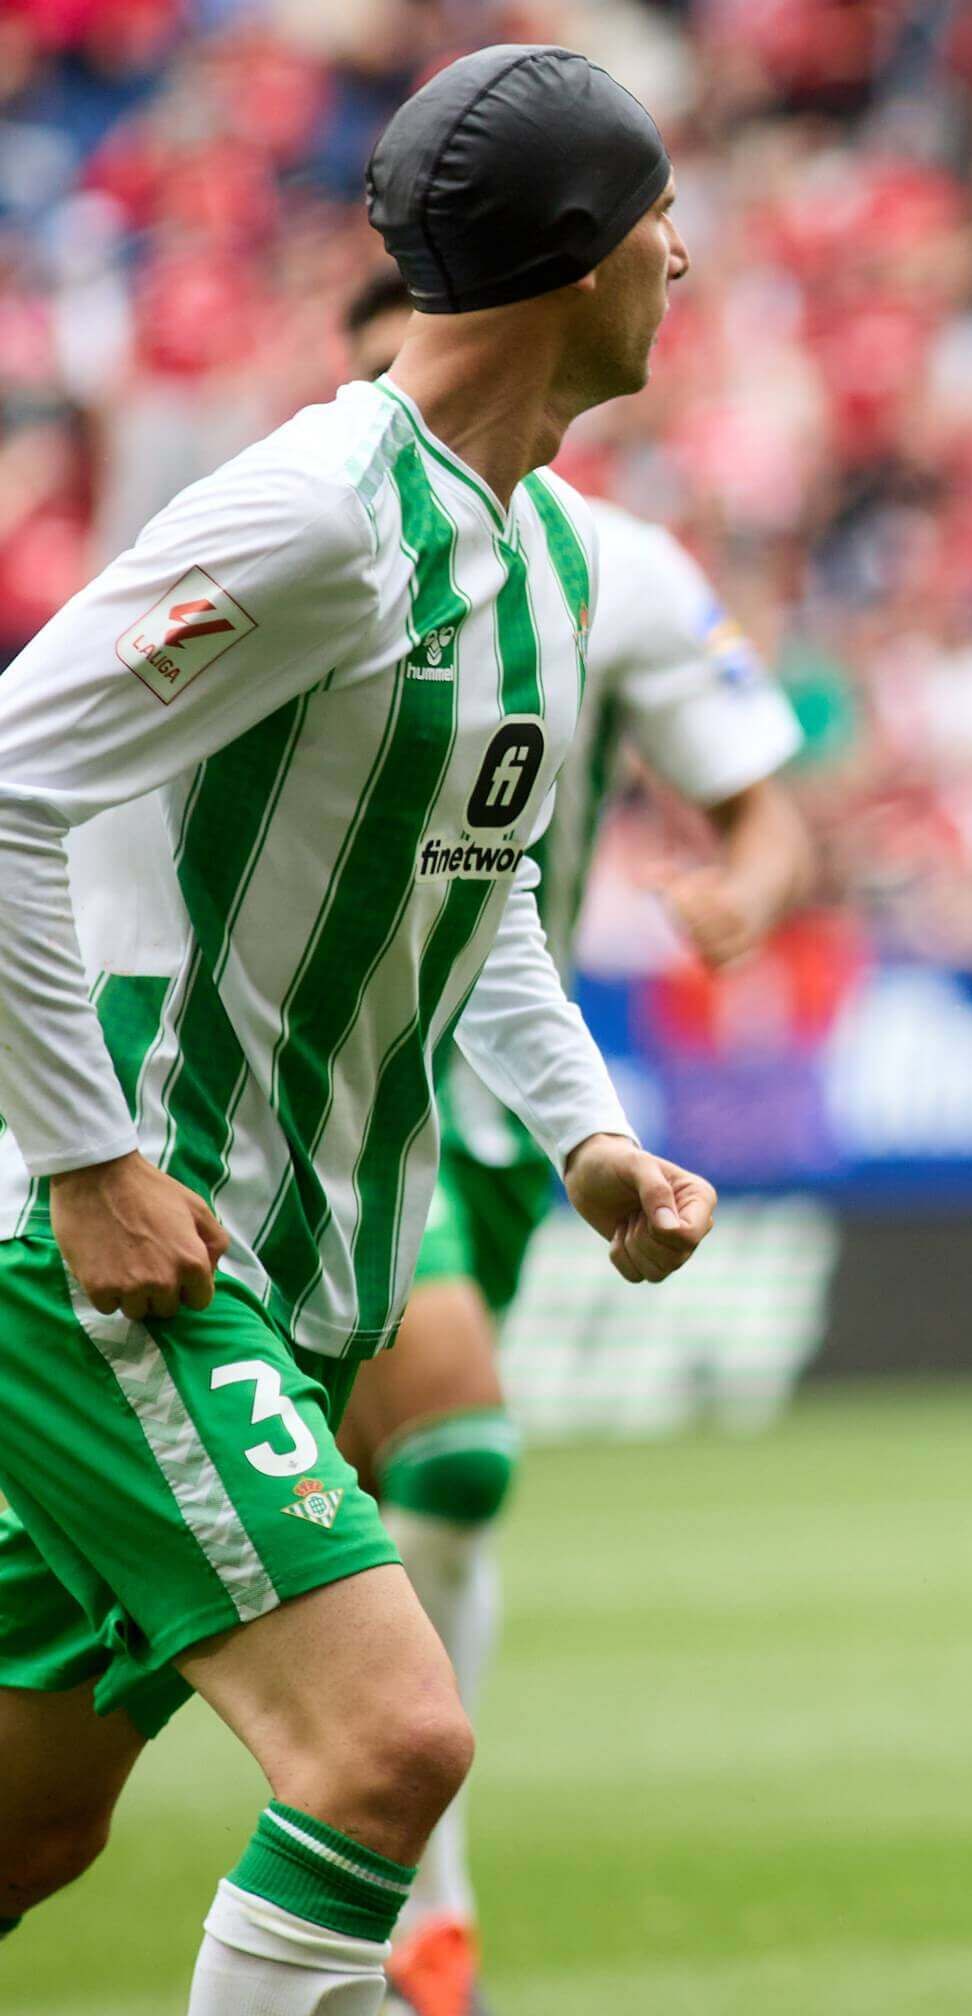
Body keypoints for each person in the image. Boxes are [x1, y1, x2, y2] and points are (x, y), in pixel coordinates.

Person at [0, 47, 718, 2016]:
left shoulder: (517, 560)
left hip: (298, 1278)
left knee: (29, 1831)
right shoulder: (322, 510)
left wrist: (584, 1138)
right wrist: (87, 1163)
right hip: (135, 1267)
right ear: (575, 256)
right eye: (660, 211)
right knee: (390, 1744)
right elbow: (7, 777)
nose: (689, 250)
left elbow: (457, 897)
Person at [328, 268, 815, 2016]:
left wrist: (737, 902)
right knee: (453, 1457)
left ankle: (356, 1870)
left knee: (396, 1490)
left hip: (512, 1077)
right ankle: (417, 1911)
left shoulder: (618, 569)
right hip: (311, 1074)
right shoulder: (304, 532)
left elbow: (767, 807)